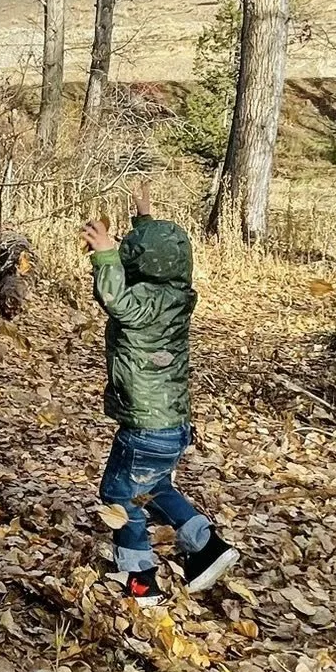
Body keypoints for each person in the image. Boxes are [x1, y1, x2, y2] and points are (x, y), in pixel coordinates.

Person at [81, 182, 239, 600]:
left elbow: (114, 296)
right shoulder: (177, 292)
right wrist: (143, 217)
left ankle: (140, 579)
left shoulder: (143, 304)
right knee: (153, 488)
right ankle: (207, 546)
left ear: (141, 265)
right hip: (171, 421)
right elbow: (157, 256)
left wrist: (107, 252)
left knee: (120, 495)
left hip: (147, 424)